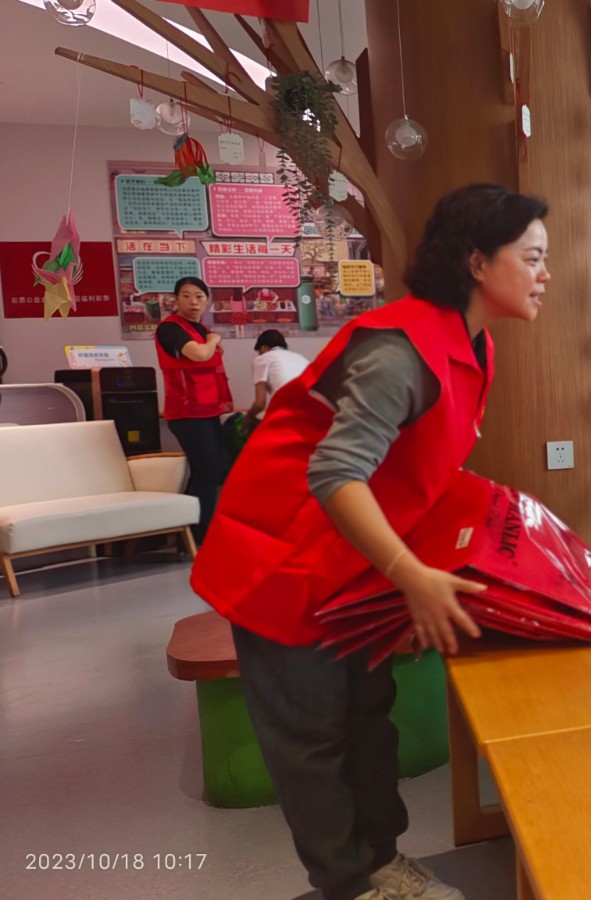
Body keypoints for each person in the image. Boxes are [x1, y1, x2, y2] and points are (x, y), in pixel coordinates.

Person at [190, 184, 553, 900]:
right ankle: (350, 884)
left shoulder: (473, 344)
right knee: (314, 738)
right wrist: (411, 575)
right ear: (478, 262)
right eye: (534, 257)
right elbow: (336, 472)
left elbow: (422, 471)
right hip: (284, 562)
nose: (546, 274)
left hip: (352, 563)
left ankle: (381, 865)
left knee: (366, 719)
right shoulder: (401, 350)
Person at [155, 275, 234, 543]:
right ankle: (195, 538)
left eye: (199, 297)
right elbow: (199, 354)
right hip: (187, 412)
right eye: (186, 296)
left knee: (215, 469)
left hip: (207, 410)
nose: (193, 302)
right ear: (176, 299)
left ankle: (193, 535)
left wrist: (209, 339)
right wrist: (214, 339)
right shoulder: (170, 328)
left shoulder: (198, 329)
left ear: (207, 301)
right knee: (206, 472)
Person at [246, 329, 311, 422]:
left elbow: (260, 404)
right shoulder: (299, 357)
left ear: (264, 347)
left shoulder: (262, 359)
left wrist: (248, 418)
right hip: (315, 410)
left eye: (259, 352)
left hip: (289, 413)